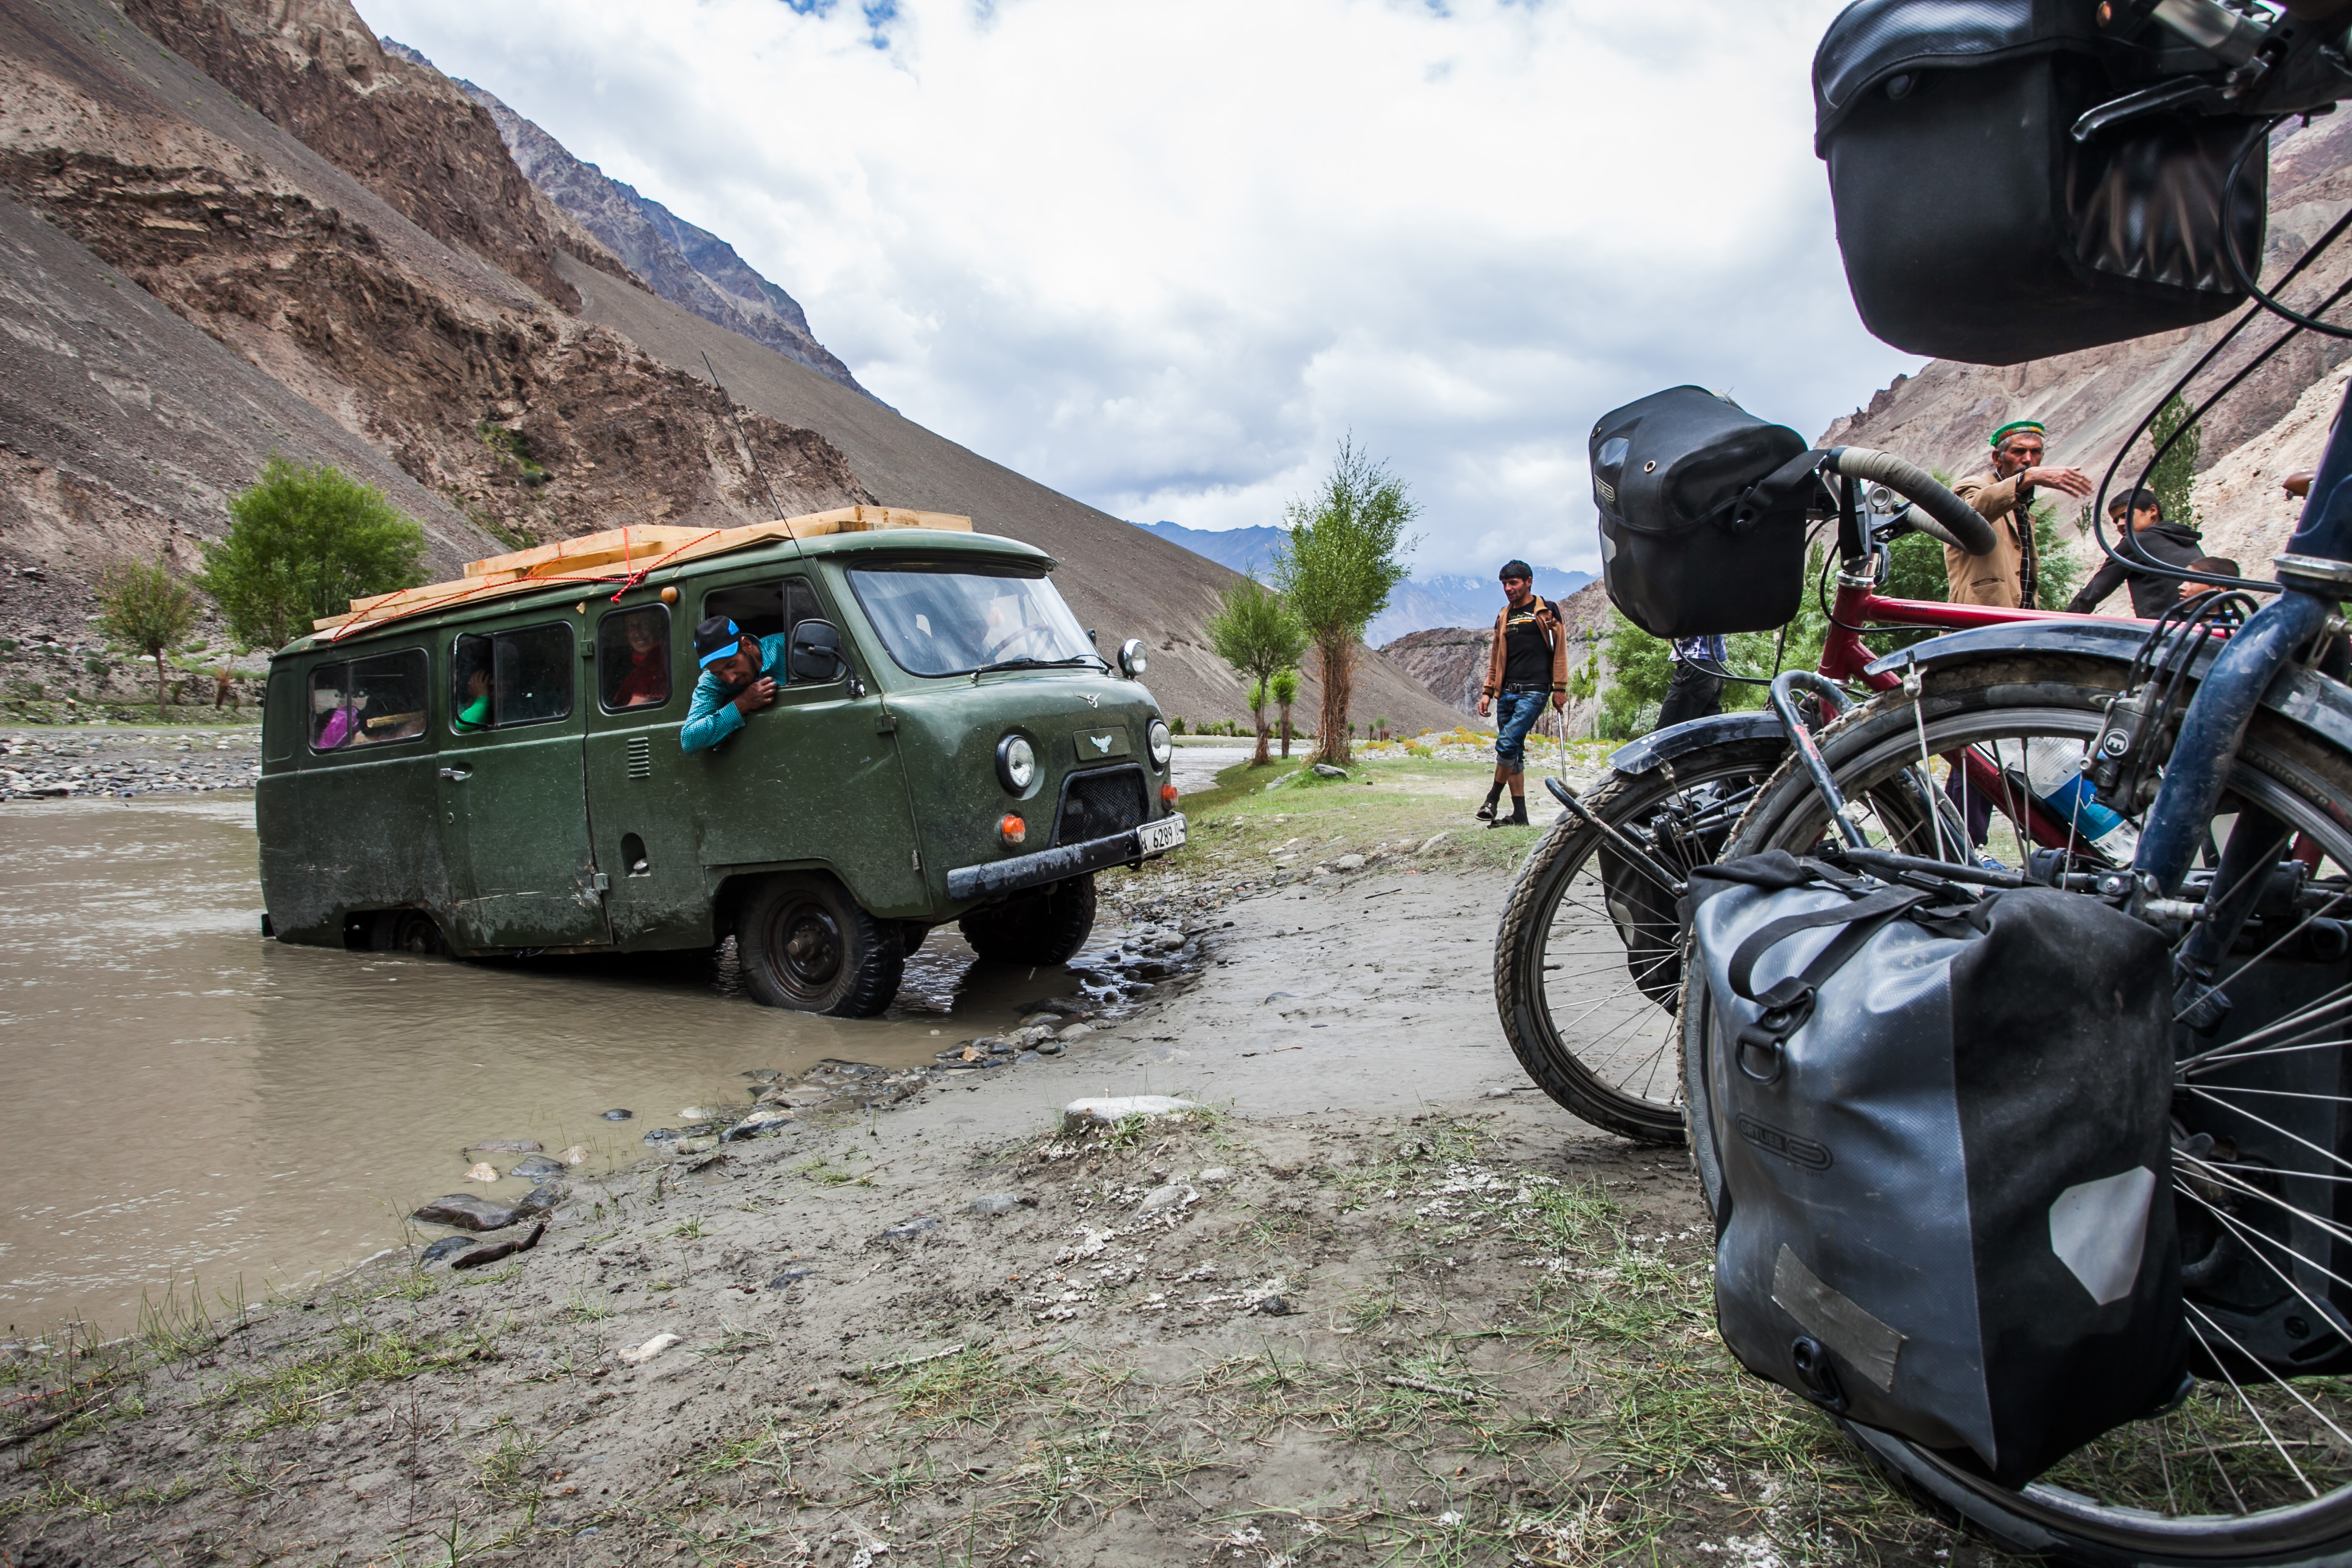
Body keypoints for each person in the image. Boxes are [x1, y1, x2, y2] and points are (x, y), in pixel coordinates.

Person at [1947, 420, 2094, 607]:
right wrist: (2028, 477)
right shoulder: (1971, 486)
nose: (2028, 459)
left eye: (2036, 452)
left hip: (2019, 618)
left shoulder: (2021, 504)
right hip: (1979, 616)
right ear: (1997, 458)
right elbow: (1972, 513)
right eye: (2019, 451)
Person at [1475, 560, 1566, 827]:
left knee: (1506, 743)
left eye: (1513, 583)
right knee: (1514, 752)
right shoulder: (1504, 615)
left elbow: (1560, 649)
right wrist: (1488, 691)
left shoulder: (1547, 611)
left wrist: (1560, 688)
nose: (1508, 588)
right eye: (1504, 584)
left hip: (1535, 691)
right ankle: (1520, 815)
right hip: (1506, 692)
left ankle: (1492, 799)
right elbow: (1496, 656)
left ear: (1529, 581)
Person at [2065, 487, 2206, 618]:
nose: (2120, 524)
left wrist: (2060, 622)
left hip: (2165, 631)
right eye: (2116, 521)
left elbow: (2093, 592)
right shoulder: (2186, 539)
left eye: (2125, 515)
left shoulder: (2136, 543)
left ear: (2152, 511)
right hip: (2201, 628)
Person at [682, 616, 785, 754]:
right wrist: (743, 704)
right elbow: (689, 739)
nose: (730, 679)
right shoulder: (712, 680)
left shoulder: (785, 647)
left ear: (746, 645)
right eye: (719, 673)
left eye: (731, 665)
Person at [1659, 635, 1726, 729]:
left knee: (1666, 731)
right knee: (1707, 732)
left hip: (1696, 664)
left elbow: (1677, 631)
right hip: (1715, 668)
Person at [609, 612, 669, 707]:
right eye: (630, 626)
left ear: (655, 627)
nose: (637, 634)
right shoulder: (621, 662)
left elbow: (635, 707)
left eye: (645, 624)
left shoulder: (660, 656)